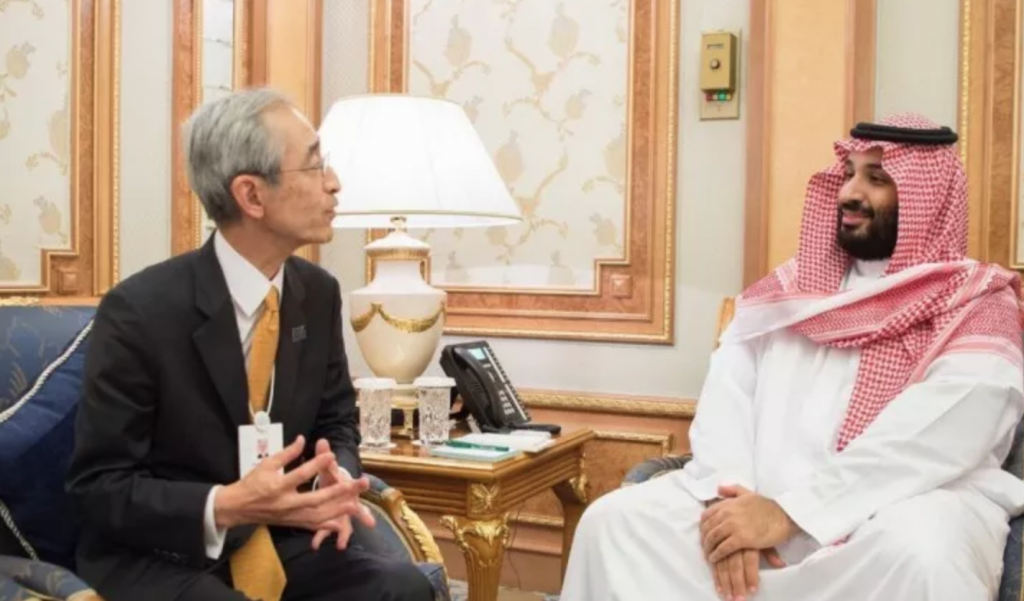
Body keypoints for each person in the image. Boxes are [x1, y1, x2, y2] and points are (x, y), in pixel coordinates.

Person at [560, 113, 1024, 601]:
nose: (849, 193)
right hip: (756, 497)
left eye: (877, 179)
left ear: (928, 199)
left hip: (895, 508)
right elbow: (727, 399)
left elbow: (944, 431)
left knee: (922, 555)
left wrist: (792, 513)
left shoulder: (976, 302)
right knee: (614, 523)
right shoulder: (791, 291)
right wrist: (732, 507)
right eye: (848, 173)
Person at [66, 88, 434, 601]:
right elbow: (99, 488)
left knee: (402, 588)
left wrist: (332, 482)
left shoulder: (317, 293)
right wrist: (228, 504)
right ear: (252, 196)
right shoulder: (140, 311)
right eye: (315, 164)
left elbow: (335, 421)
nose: (334, 182)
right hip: (167, 552)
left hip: (281, 538)